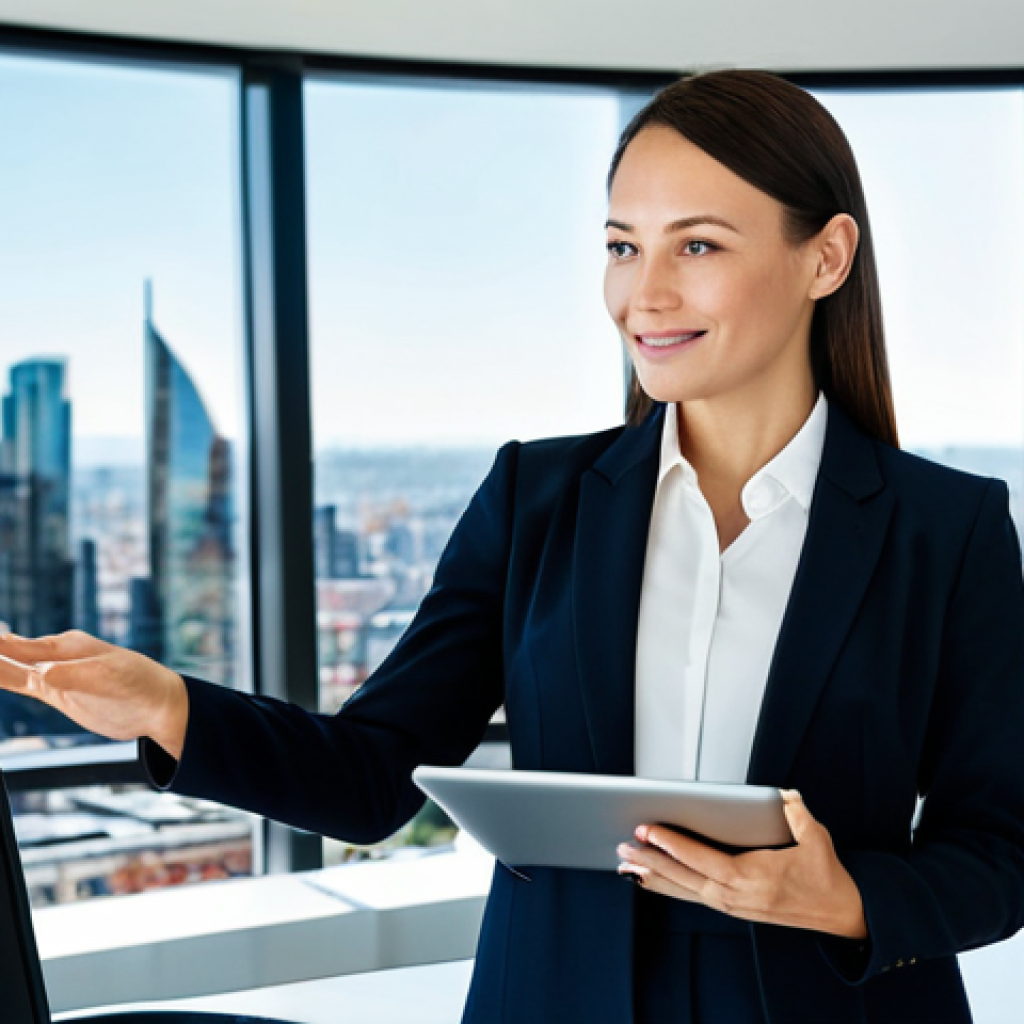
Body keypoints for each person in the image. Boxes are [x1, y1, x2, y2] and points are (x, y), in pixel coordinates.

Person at [1, 69, 1023, 1024]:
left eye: (697, 247)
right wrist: (167, 706)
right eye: (622, 247)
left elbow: (1001, 851)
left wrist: (844, 898)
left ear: (825, 257)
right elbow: (373, 773)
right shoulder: (536, 499)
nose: (644, 294)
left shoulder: (948, 531)